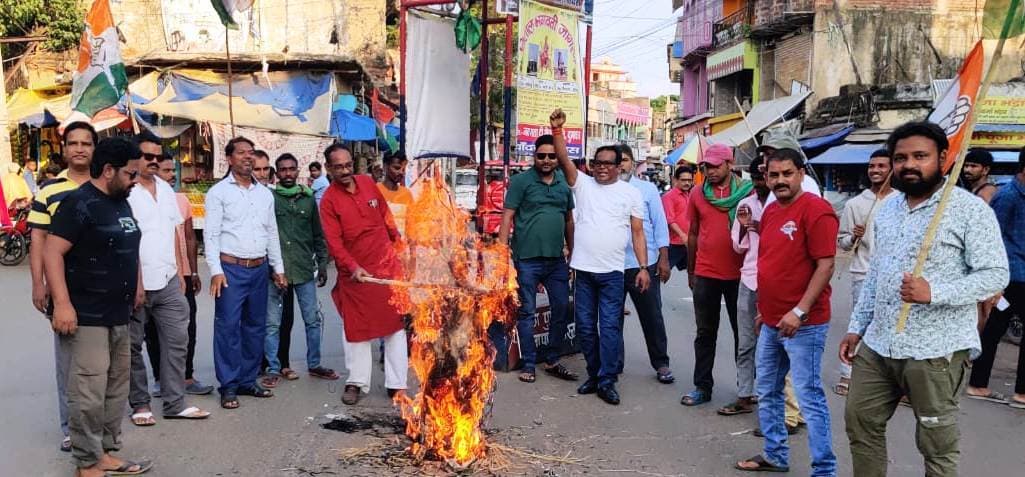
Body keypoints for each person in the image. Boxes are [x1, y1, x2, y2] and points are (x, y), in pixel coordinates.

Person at [841, 122, 1009, 477]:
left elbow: (995, 275)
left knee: (937, 445)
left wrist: (935, 293)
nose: (909, 164)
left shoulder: (968, 209)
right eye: (900, 157)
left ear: (943, 159)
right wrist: (857, 327)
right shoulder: (887, 209)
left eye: (920, 156)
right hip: (879, 344)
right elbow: (876, 274)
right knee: (861, 424)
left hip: (936, 352)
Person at [44, 137, 152, 477]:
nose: (136, 181)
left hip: (119, 313)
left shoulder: (121, 202)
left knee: (114, 390)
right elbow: (52, 252)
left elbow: (130, 245)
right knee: (88, 392)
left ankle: (104, 451)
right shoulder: (78, 204)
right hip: (86, 315)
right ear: (108, 171)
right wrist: (61, 304)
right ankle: (86, 462)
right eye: (131, 174)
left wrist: (136, 286)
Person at [735, 148, 839, 476]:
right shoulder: (772, 211)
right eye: (774, 175)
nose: (780, 180)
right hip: (771, 321)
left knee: (808, 396)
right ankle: (775, 454)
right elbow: (773, 265)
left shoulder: (816, 210)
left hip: (804, 324)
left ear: (801, 174)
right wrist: (766, 311)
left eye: (787, 174)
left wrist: (800, 311)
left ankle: (824, 469)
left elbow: (825, 265)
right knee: (767, 390)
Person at [550, 108, 649, 406]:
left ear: (620, 167)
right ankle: (594, 376)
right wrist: (557, 131)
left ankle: (608, 381)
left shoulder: (630, 194)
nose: (602, 168)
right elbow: (565, 160)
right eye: (597, 163)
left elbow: (638, 233)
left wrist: (643, 267)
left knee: (608, 328)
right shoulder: (582, 184)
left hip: (612, 274)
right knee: (584, 328)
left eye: (608, 163)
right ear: (591, 166)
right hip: (583, 271)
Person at [126, 132, 211, 426]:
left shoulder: (165, 189)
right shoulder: (124, 190)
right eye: (147, 156)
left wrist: (182, 273)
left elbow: (175, 235)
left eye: (157, 156)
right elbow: (125, 242)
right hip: (134, 284)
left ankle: (175, 402)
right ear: (134, 156)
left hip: (169, 280)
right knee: (132, 347)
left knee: (177, 342)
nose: (153, 161)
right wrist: (134, 282)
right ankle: (140, 404)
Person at [319, 143, 408, 405]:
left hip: (387, 269)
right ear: (329, 169)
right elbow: (334, 243)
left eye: (348, 165)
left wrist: (399, 245)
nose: (345, 170)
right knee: (356, 331)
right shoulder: (328, 202)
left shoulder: (368, 184)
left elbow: (386, 216)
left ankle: (397, 385)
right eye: (338, 167)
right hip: (357, 276)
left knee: (395, 329)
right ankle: (356, 382)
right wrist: (353, 267)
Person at [204, 137, 287, 410]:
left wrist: (278, 269)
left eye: (251, 153)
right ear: (229, 159)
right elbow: (211, 235)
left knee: (255, 326)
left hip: (259, 268)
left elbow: (271, 233)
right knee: (228, 328)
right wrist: (215, 271)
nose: (248, 158)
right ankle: (228, 385)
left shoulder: (264, 193)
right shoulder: (218, 193)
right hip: (231, 269)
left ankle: (248, 380)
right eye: (241, 153)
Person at [28, 121, 96, 453]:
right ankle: (70, 427)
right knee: (69, 363)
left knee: (102, 364)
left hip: (101, 290)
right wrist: (38, 284)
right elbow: (38, 239)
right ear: (65, 149)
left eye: (86, 143)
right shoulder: (49, 191)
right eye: (74, 143)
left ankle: (96, 424)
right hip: (63, 289)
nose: (80, 148)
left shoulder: (106, 186)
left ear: (95, 149)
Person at [499, 134, 578, 384]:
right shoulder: (522, 182)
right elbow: (507, 218)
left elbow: (568, 221)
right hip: (526, 260)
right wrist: (501, 256)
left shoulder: (564, 185)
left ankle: (553, 359)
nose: (546, 160)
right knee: (527, 313)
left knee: (561, 309)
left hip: (556, 261)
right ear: (534, 156)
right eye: (541, 155)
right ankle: (529, 364)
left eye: (551, 156)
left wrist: (572, 253)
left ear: (557, 158)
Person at [260, 153, 338, 388]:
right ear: (277, 172)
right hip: (278, 271)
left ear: (297, 171)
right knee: (272, 323)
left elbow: (318, 235)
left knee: (312, 320)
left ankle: (314, 364)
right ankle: (273, 368)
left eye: (291, 169)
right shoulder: (269, 199)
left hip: (304, 269)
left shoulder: (308, 199)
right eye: (282, 170)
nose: (287, 174)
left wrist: (323, 263)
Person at [681, 143, 747, 407]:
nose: (709, 171)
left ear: (730, 165)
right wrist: (691, 268)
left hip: (740, 275)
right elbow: (694, 233)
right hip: (706, 272)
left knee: (743, 335)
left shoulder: (748, 194)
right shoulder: (698, 194)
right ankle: (702, 387)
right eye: (706, 166)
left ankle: (746, 390)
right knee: (705, 333)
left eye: (715, 166)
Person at [967, 147, 1025, 408]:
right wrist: (993, 281)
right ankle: (981, 385)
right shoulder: (1008, 196)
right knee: (992, 331)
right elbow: (995, 238)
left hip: (1020, 275)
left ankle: (981, 384)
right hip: (1011, 276)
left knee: (993, 330)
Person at [834, 149, 894, 396]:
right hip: (863, 272)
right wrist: (853, 237)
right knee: (859, 324)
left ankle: (888, 380)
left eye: (881, 166)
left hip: (893, 275)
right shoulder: (855, 204)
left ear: (892, 169)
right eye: (872, 166)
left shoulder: (901, 201)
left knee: (890, 325)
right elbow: (842, 241)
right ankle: (847, 374)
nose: (876, 170)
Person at [154, 155, 212, 396]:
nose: (172, 176)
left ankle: (187, 377)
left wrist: (194, 271)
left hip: (184, 273)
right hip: (156, 275)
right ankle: (160, 379)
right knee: (153, 329)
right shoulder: (142, 199)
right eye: (166, 171)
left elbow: (189, 237)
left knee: (188, 327)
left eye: (173, 170)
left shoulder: (181, 200)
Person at [617, 144, 674, 384]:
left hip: (644, 263)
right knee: (611, 318)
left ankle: (661, 363)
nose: (621, 165)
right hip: (612, 265)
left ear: (633, 162)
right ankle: (613, 365)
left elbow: (659, 225)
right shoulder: (603, 190)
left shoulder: (647, 189)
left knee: (652, 316)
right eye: (616, 160)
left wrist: (663, 258)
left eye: (626, 160)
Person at [662, 164, 694, 271]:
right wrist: (682, 235)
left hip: (688, 242)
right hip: (674, 243)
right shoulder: (669, 197)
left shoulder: (690, 195)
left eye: (689, 180)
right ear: (675, 180)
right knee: (661, 272)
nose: (687, 183)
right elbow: (670, 219)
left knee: (694, 273)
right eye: (683, 180)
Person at [377, 152, 415, 236]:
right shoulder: (375, 191)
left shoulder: (407, 194)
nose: (401, 172)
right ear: (385, 167)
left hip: (402, 247)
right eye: (397, 168)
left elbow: (411, 227)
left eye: (403, 169)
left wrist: (412, 248)